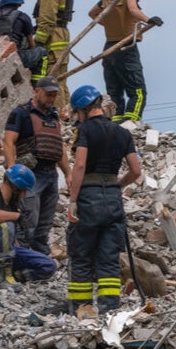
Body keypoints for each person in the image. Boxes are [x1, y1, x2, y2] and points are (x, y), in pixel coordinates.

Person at [66, 85, 141, 314]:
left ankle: (81, 308)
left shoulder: (85, 131)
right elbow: (136, 171)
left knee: (82, 255)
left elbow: (79, 165)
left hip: (88, 196)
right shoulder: (122, 133)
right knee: (108, 258)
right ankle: (109, 309)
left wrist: (73, 200)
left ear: (82, 109)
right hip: (113, 199)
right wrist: (117, 185)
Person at [2, 76, 70, 256]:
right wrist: (12, 171)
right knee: (27, 221)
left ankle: (39, 263)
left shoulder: (53, 115)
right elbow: (8, 142)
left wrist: (68, 174)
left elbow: (58, 146)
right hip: (30, 175)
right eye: (48, 94)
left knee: (44, 224)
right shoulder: (21, 113)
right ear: (37, 91)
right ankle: (19, 260)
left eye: (54, 95)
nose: (51, 98)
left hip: (51, 175)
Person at [88, 0, 163, 123]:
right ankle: (132, 123)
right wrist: (149, 20)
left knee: (114, 91)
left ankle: (115, 122)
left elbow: (92, 13)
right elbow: (133, 9)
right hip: (126, 46)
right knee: (138, 91)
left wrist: (108, 24)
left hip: (109, 49)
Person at [0, 164, 57, 290]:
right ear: (16, 187)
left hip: (0, 256)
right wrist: (17, 216)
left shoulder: (12, 205)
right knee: (5, 225)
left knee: (48, 265)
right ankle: (2, 278)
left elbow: (10, 241)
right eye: (24, 190)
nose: (24, 195)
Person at [31, 0, 73, 109]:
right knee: (61, 80)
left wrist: (37, 41)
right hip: (61, 37)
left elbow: (47, 19)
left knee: (52, 81)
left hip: (53, 40)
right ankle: (65, 113)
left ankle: (58, 114)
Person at [0, 0, 46, 76]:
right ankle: (36, 83)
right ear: (20, 3)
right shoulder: (22, 17)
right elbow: (32, 45)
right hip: (14, 57)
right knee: (42, 52)